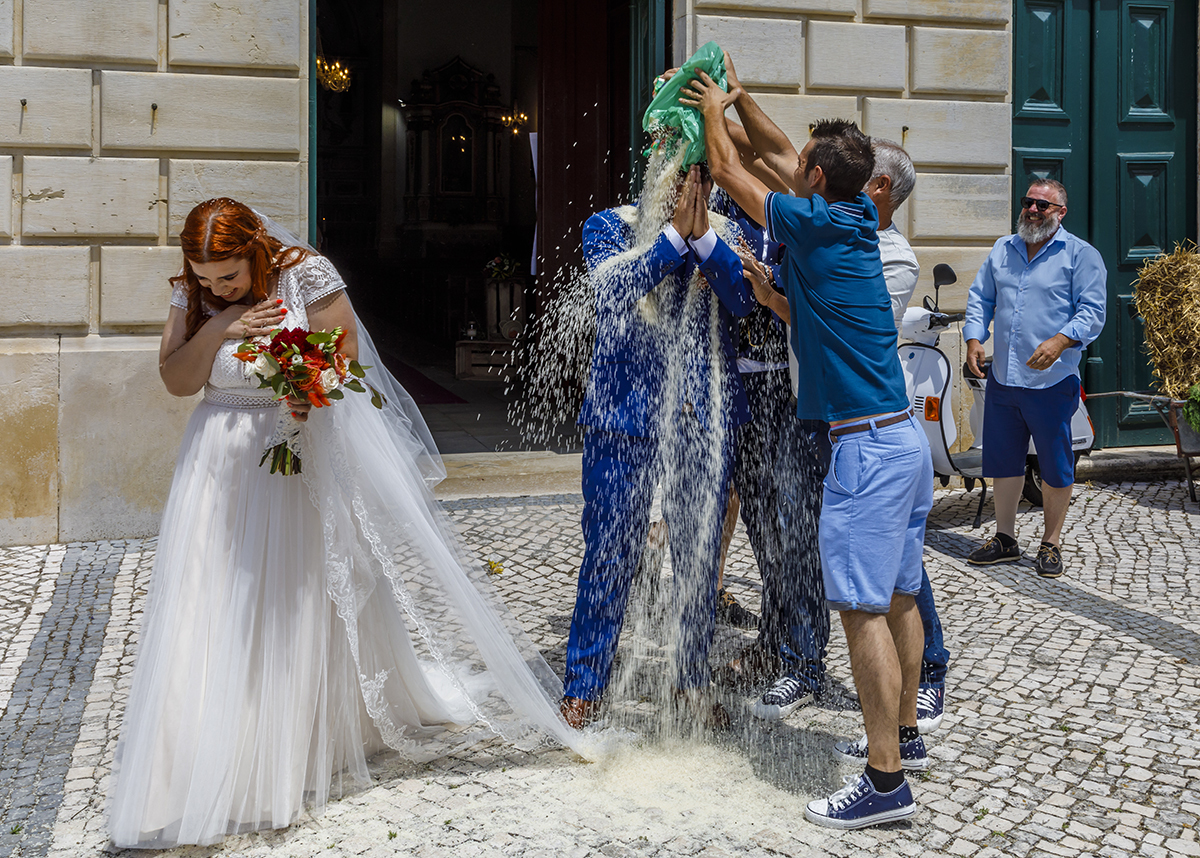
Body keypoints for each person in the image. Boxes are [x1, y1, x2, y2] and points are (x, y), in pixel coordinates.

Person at [108, 198, 588, 849]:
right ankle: (200, 743)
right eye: (204, 278)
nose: (215, 286)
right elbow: (176, 380)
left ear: (254, 250)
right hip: (215, 465)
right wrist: (221, 322)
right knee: (208, 597)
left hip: (289, 461)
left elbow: (342, 364)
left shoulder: (307, 275)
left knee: (289, 598)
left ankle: (292, 741)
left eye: (227, 276)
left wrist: (300, 393)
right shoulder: (193, 298)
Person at [683, 54, 932, 829]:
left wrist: (713, 107)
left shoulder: (812, 220)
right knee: (897, 596)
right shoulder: (853, 218)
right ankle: (909, 735)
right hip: (904, 446)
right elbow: (788, 152)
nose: (794, 170)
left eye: (803, 170)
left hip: (863, 448)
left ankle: (885, 784)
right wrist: (776, 299)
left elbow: (730, 165)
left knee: (860, 610)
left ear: (817, 182)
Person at [559, 153, 755, 731]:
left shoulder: (728, 234)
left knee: (697, 562)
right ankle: (586, 684)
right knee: (610, 552)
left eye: (701, 177)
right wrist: (673, 239)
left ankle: (691, 684)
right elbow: (611, 292)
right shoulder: (611, 226)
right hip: (624, 417)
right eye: (679, 178)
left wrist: (704, 244)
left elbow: (745, 302)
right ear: (655, 180)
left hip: (701, 420)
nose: (690, 187)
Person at [963, 179, 1107, 578]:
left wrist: (1061, 341)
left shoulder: (1081, 256)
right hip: (1004, 378)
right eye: (1029, 202)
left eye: (1043, 205)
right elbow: (980, 299)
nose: (1033, 209)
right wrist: (975, 338)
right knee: (1003, 459)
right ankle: (1005, 538)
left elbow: (1093, 312)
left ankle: (1051, 543)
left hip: (1051, 381)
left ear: (1061, 212)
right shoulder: (1002, 250)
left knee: (1055, 463)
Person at [863, 140, 949, 731]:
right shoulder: (843, 224)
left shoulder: (893, 256)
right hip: (839, 418)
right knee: (883, 573)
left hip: (879, 423)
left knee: (898, 573)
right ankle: (896, 714)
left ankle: (929, 674)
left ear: (881, 189)